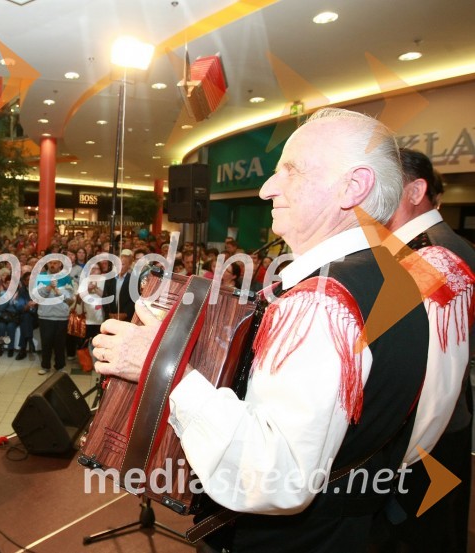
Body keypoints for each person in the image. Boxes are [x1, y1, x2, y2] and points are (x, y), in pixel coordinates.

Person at [92, 108, 430, 552]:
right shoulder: (402, 277)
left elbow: (277, 476)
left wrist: (160, 364)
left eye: (291, 170)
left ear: (354, 187)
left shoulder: (322, 302)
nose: (269, 188)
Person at [373, 148, 475, 553]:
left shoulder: (433, 252)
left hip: (423, 435)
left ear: (417, 190)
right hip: (433, 429)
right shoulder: (426, 245)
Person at [35, 258, 74, 375]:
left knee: (60, 343)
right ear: (47, 264)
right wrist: (48, 288)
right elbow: (36, 295)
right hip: (45, 316)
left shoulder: (67, 278)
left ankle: (60, 366)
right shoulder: (40, 277)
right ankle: (45, 366)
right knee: (46, 342)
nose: (52, 265)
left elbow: (70, 297)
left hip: (61, 316)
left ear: (60, 264)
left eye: (55, 263)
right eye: (50, 263)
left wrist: (58, 292)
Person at [102, 249, 140, 321]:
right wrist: (109, 313)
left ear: (129, 265)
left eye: (122, 264)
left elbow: (134, 299)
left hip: (127, 318)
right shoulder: (109, 279)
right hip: (111, 318)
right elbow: (105, 297)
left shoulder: (134, 280)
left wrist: (125, 314)